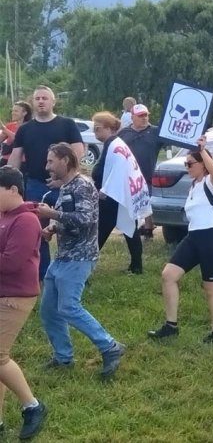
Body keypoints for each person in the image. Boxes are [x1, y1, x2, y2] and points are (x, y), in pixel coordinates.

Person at [38, 143, 126, 375]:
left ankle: (109, 346)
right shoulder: (66, 186)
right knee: (48, 310)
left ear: (65, 160)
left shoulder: (83, 186)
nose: (47, 166)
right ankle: (63, 357)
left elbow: (86, 219)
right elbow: (70, 217)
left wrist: (52, 214)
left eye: (50, 161)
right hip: (63, 257)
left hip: (80, 257)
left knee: (68, 306)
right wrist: (53, 228)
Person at [148, 136, 213, 343]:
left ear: (203, 164)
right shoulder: (194, 186)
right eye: (185, 163)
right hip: (194, 236)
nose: (187, 167)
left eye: (190, 164)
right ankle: (171, 326)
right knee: (168, 275)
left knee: (211, 287)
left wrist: (202, 150)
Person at [8, 86, 84, 280]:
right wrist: (7, 181)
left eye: (45, 98)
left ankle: (74, 272)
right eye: (37, 98)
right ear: (33, 102)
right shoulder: (25, 129)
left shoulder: (67, 124)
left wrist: (63, 178)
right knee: (37, 231)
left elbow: (77, 153)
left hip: (65, 185)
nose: (41, 101)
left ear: (53, 101)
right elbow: (15, 157)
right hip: (35, 185)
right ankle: (42, 274)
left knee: (70, 229)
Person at [0, 166, 46, 439]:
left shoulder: (27, 220)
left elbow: (11, 263)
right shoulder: (5, 216)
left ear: (13, 190)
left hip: (16, 296)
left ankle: (33, 406)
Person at [90, 112, 144, 274]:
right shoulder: (116, 143)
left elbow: (118, 170)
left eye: (97, 129)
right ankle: (136, 266)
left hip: (112, 197)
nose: (95, 133)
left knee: (99, 233)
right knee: (130, 230)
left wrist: (105, 191)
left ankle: (84, 268)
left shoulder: (113, 145)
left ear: (107, 128)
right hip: (118, 195)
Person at [117, 104, 163, 239]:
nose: (144, 118)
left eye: (146, 115)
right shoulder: (124, 133)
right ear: (132, 117)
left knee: (146, 203)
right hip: (129, 176)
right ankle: (130, 229)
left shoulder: (155, 132)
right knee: (129, 203)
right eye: (140, 116)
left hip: (147, 175)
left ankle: (149, 229)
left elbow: (173, 140)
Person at [0, 101, 31, 167]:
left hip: (22, 163)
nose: (13, 113)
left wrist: (4, 128)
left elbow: (19, 140)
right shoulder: (9, 126)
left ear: (24, 113)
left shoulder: (29, 127)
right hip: (5, 161)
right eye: (12, 111)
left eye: (16, 111)